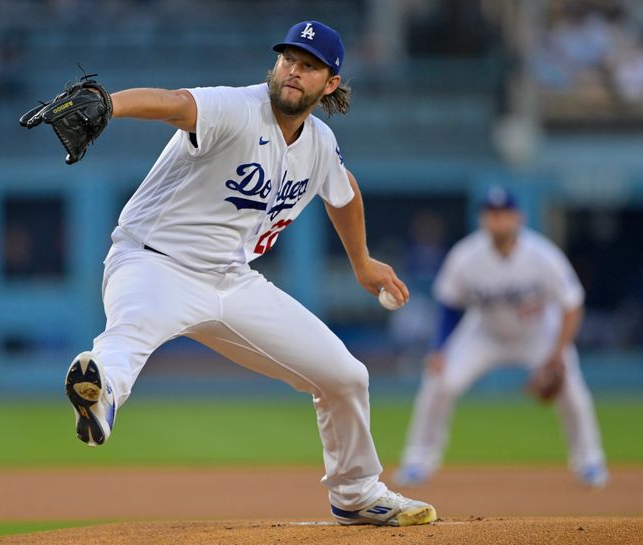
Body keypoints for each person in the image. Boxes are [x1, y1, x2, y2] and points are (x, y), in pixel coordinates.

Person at [64, 20, 436, 527]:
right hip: (153, 261)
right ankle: (99, 393)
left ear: (330, 84)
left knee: (346, 377)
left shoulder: (320, 143)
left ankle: (355, 493)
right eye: (288, 59)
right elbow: (176, 103)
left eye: (308, 66)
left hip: (232, 281)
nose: (293, 71)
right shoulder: (237, 108)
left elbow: (343, 191)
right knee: (126, 336)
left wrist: (362, 262)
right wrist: (111, 104)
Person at [394, 186, 608, 488]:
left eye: (504, 214)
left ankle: (589, 461)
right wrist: (440, 349)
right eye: (492, 214)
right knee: (439, 381)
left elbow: (572, 305)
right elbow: (450, 305)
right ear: (483, 219)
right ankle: (418, 459)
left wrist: (558, 353)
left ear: (518, 218)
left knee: (572, 388)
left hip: (538, 334)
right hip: (485, 332)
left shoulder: (542, 255)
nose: (498, 220)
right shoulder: (466, 256)